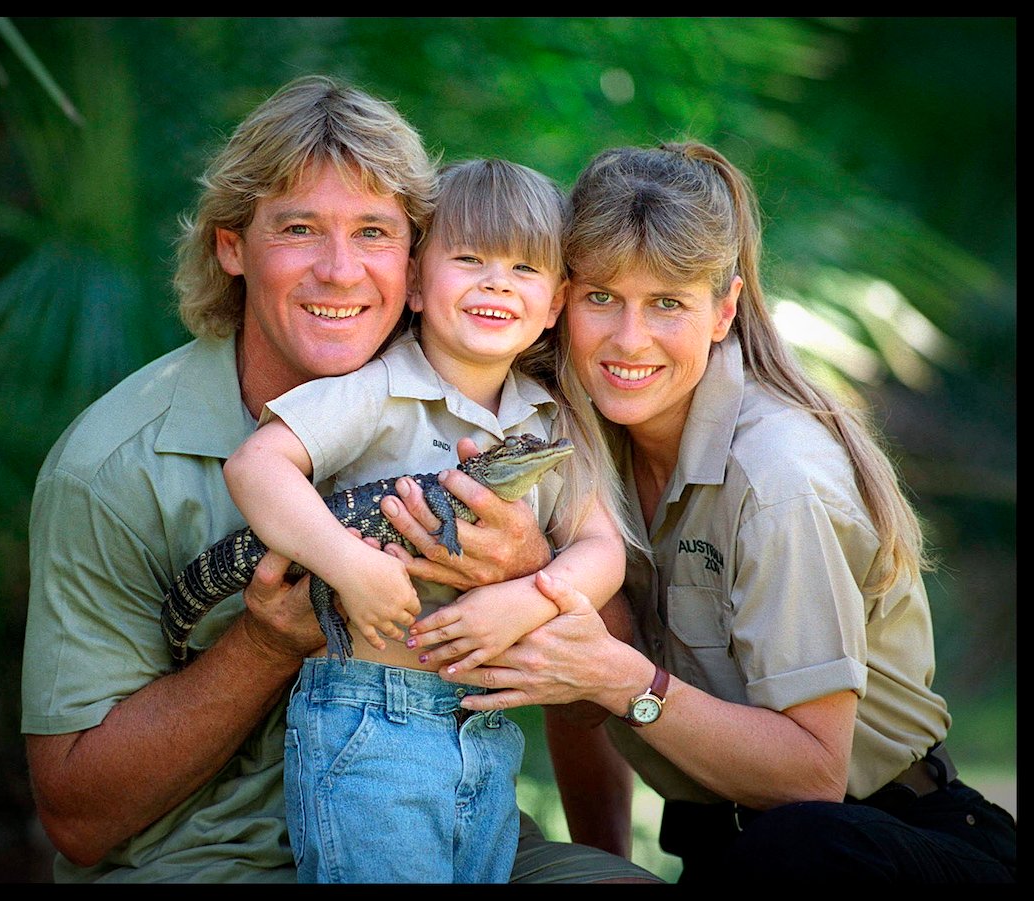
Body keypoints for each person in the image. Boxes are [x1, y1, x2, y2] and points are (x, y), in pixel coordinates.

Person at [21, 74, 660, 884]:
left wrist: (531, 572)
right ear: (231, 246)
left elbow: (594, 669)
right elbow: (77, 817)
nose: (340, 271)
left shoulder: (496, 405)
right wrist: (266, 640)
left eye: (373, 232)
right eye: (298, 229)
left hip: (452, 810)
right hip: (209, 861)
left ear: (415, 260)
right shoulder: (106, 467)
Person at [422, 142, 1018, 882]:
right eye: (602, 296)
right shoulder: (566, 436)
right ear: (563, 298)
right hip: (722, 844)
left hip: (875, 844)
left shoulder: (781, 479)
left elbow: (812, 779)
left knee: (796, 846)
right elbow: (574, 674)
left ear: (723, 310)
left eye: (667, 302)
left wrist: (620, 678)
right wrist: (609, 866)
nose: (628, 339)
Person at [223, 158, 633, 883]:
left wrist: (531, 597)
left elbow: (602, 547)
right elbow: (256, 467)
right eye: (470, 258)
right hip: (366, 719)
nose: (496, 282)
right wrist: (351, 566)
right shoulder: (376, 387)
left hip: (485, 728)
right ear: (414, 282)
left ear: (554, 304)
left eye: (522, 268)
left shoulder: (550, 416)